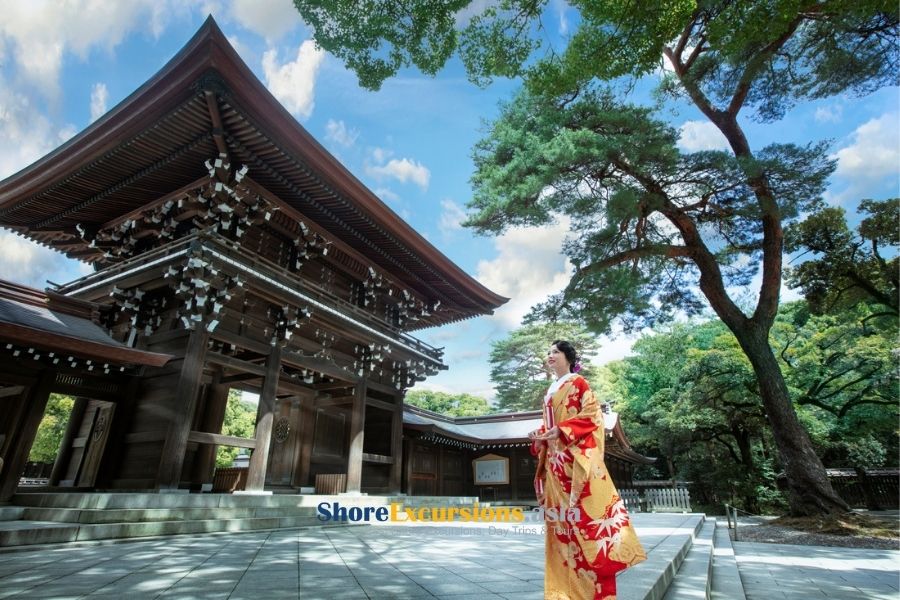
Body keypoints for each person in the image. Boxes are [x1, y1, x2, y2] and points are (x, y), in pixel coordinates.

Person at [529, 340, 646, 600]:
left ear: (568, 357)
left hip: (573, 464)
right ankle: (562, 591)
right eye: (548, 352)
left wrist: (561, 430)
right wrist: (541, 436)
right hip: (555, 466)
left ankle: (591, 592)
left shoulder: (578, 383)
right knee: (559, 528)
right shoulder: (551, 389)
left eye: (556, 352)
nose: (550, 356)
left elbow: (593, 417)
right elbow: (549, 425)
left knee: (584, 526)